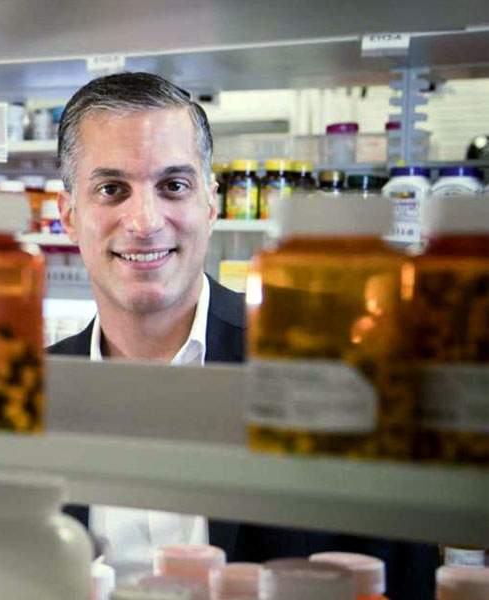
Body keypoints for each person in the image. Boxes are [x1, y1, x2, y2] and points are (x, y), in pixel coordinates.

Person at [46, 72, 437, 600]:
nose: (144, 220)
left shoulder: (324, 375)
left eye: (173, 186)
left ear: (210, 203)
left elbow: (396, 572)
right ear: (69, 214)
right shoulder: (29, 390)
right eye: (111, 189)